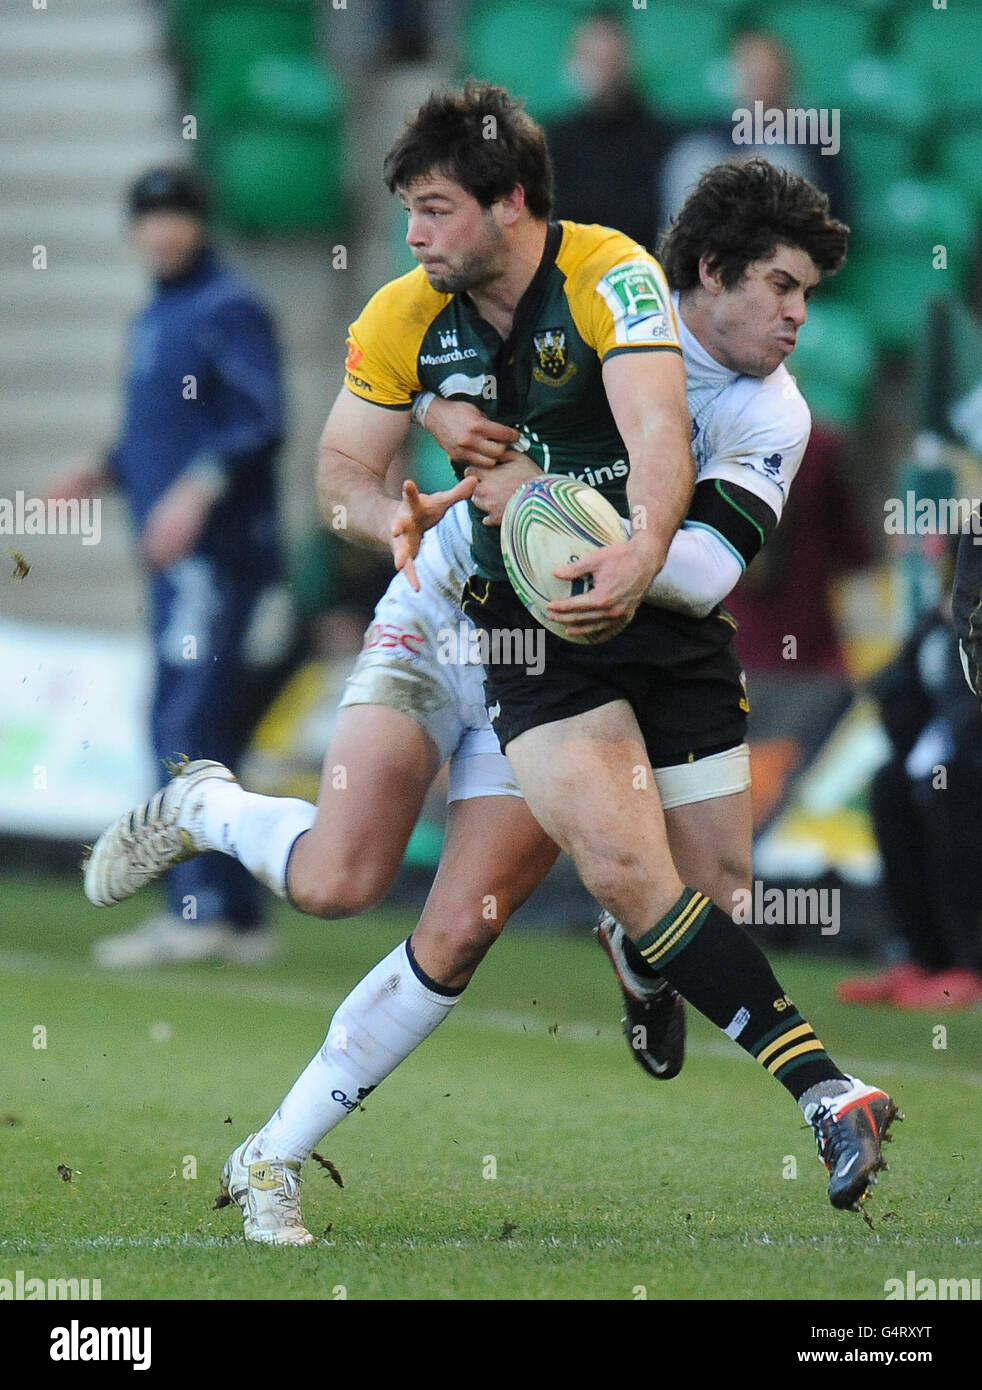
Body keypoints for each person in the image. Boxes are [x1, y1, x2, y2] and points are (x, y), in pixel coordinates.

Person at [84, 87, 899, 1244]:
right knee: (336, 882)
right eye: (778, 285)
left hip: (565, 627)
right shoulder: (408, 312)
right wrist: (393, 516)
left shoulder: (618, 293)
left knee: (486, 921)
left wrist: (602, 535)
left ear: (508, 204)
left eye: (432, 209)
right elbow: (339, 476)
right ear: (710, 273)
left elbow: (661, 452)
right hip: (440, 612)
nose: (415, 234)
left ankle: (272, 1154)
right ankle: (209, 802)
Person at [52, 166, 286, 967]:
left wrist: (193, 495)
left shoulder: (229, 308)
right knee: (204, 724)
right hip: (179, 565)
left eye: (177, 214)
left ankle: (197, 913)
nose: (162, 230)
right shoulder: (161, 311)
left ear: (200, 222)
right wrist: (105, 467)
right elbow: (164, 426)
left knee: (183, 724)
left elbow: (260, 421)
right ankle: (239, 914)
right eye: (148, 217)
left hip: (214, 560)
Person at [546, 7, 674, 253]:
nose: (604, 74)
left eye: (610, 61)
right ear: (574, 62)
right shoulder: (553, 143)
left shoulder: (663, 139)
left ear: (628, 60)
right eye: (594, 61)